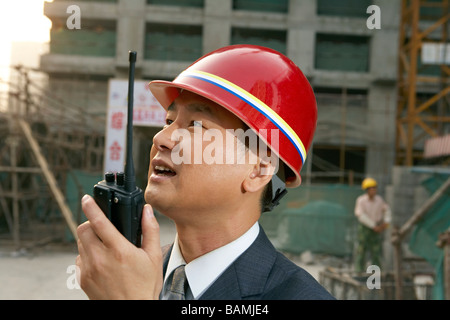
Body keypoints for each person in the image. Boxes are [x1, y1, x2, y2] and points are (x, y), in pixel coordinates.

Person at [75, 44, 335, 300]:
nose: (161, 138)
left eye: (196, 124)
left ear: (259, 169)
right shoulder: (134, 273)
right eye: (168, 121)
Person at [354, 177, 392, 273]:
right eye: (371, 189)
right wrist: (373, 226)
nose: (373, 191)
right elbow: (360, 215)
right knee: (361, 250)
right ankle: (359, 271)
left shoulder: (379, 200)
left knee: (376, 251)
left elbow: (387, 210)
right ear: (367, 190)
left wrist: (386, 223)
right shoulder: (361, 200)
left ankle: (376, 272)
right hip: (365, 228)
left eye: (374, 189)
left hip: (377, 228)